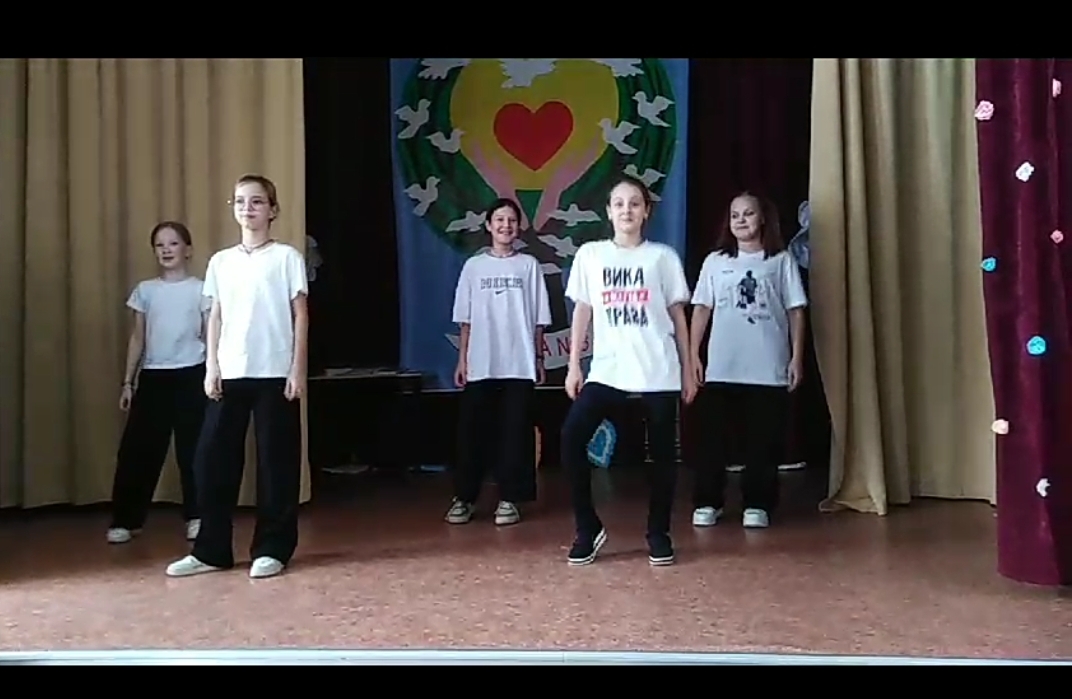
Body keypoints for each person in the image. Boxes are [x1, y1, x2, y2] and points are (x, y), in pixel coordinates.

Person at [165, 174, 308, 579]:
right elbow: (216, 316)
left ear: (272, 210)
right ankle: (211, 550)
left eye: (257, 201)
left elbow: (300, 315)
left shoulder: (286, 258)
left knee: (276, 464)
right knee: (210, 460)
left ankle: (273, 548)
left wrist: (297, 368)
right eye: (241, 201)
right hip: (230, 372)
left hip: (274, 373)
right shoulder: (221, 262)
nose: (248, 208)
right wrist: (212, 366)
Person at [559, 174, 696, 567]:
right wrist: (573, 365)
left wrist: (688, 368)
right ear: (608, 212)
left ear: (646, 211)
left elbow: (678, 316)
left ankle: (658, 533)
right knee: (571, 437)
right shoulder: (591, 255)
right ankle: (588, 528)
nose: (626, 210)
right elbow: (582, 310)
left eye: (635, 203)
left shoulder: (662, 257)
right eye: (619, 204)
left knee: (663, 455)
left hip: (658, 367)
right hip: (608, 369)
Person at [688, 192, 807, 529]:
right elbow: (701, 308)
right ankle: (708, 501)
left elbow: (795, 310)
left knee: (762, 443)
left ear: (762, 218)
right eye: (735, 215)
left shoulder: (780, 260)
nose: (741, 220)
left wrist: (797, 357)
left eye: (748, 213)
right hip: (722, 367)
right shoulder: (715, 261)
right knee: (712, 442)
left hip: (768, 368)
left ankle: (758, 503)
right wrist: (693, 354)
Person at [445, 198, 552, 527]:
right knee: (472, 433)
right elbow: (465, 320)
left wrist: (538, 358)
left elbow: (539, 320)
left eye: (511, 220)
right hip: (481, 363)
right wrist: (463, 360)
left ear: (518, 227)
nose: (506, 226)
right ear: (489, 225)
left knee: (516, 433)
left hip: (519, 363)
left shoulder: (529, 266)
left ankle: (510, 499)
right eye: (500, 220)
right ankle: (464, 497)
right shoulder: (474, 267)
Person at [107, 222, 209, 545]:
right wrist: (128, 382)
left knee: (194, 450)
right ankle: (126, 520)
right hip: (153, 377)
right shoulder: (146, 291)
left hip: (192, 374)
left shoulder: (201, 289)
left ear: (187, 250)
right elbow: (138, 338)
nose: (166, 250)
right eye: (160, 245)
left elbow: (210, 336)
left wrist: (214, 374)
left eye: (173, 243)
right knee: (138, 452)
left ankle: (197, 516)